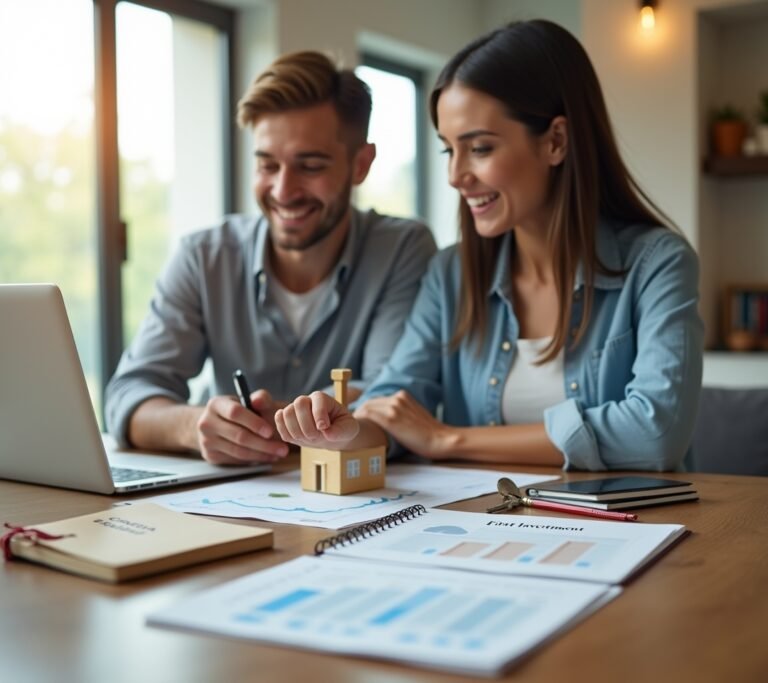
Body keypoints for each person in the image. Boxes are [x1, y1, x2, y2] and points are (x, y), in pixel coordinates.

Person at [274, 21, 704, 472]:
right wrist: (343, 428)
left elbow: (655, 433)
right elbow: (393, 401)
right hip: (486, 529)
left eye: (479, 148)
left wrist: (448, 438)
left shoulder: (658, 264)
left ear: (556, 140)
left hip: (634, 531)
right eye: (448, 150)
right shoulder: (449, 275)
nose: (456, 176)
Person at [105, 51, 436, 465]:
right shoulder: (205, 256)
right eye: (267, 165)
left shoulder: (402, 250)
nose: (283, 190)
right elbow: (128, 396)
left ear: (361, 164)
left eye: (310, 165)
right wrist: (196, 427)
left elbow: (393, 403)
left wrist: (292, 421)